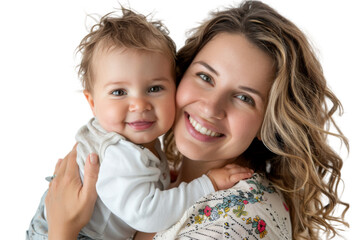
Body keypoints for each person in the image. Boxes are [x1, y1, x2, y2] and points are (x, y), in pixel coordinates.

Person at [39, 1, 350, 239]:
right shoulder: (158, 178)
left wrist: (62, 230)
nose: (211, 107)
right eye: (205, 76)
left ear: (269, 122)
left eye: (244, 97)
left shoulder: (237, 221)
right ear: (179, 74)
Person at [26, 8, 253, 240]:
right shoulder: (121, 155)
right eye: (119, 92)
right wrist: (207, 184)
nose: (139, 105)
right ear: (92, 103)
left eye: (154, 88)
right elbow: (148, 214)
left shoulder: (136, 143)